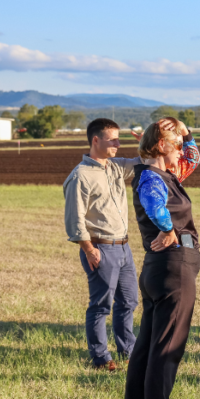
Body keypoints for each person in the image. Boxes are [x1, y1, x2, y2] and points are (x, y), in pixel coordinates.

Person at [122, 117, 200, 399]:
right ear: (159, 146)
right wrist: (168, 229)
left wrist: (185, 131)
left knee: (147, 345)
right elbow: (154, 205)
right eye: (176, 144)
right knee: (167, 346)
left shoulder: (167, 172)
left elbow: (194, 157)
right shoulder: (152, 177)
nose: (181, 149)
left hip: (162, 268)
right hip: (172, 268)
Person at [63, 118, 157, 371]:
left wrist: (148, 146)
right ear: (96, 140)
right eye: (112, 139)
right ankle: (101, 358)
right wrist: (89, 250)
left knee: (129, 302)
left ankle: (129, 351)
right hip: (100, 248)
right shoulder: (80, 176)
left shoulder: (114, 167)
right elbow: (75, 219)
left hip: (124, 247)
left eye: (118, 139)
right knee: (101, 305)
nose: (118, 144)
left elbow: (146, 163)